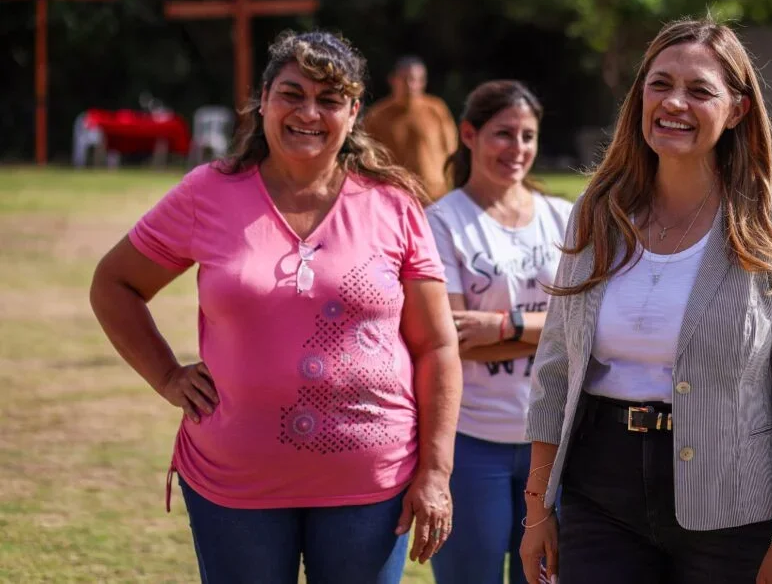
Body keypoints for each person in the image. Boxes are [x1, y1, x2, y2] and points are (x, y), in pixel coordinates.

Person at [89, 31, 462, 584]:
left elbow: (435, 345)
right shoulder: (208, 194)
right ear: (263, 99)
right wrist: (167, 375)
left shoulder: (393, 204)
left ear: (354, 111)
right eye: (292, 93)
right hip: (235, 480)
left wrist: (435, 470)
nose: (308, 112)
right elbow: (115, 284)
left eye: (330, 99)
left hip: (370, 480)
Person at [519, 18, 772, 584]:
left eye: (700, 90)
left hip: (733, 508)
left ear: (737, 109)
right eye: (659, 84)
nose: (674, 103)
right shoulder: (597, 213)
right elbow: (555, 372)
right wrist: (537, 510)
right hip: (600, 495)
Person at [426, 81, 573, 584]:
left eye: (528, 136)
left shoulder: (563, 218)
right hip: (473, 440)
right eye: (503, 134)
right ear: (469, 134)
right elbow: (454, 338)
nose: (518, 149)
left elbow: (591, 327)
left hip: (554, 442)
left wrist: (504, 326)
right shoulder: (442, 221)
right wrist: (553, 331)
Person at [363, 56, 459, 202]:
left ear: (423, 82)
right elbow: (368, 158)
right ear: (393, 80)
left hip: (436, 197)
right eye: (405, 79)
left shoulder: (436, 109)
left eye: (416, 80)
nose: (410, 85)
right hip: (396, 198)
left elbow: (451, 149)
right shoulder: (377, 116)